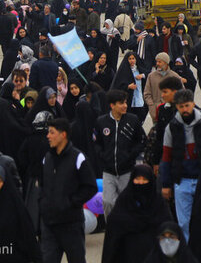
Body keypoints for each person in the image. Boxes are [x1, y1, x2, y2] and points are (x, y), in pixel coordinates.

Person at [160, 89, 201, 241]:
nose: (185, 110)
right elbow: (166, 157)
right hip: (182, 182)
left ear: (193, 104)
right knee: (183, 223)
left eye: (187, 106)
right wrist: (166, 184)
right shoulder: (171, 127)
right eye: (181, 107)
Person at [40, 118, 98, 263]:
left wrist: (70, 203)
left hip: (71, 224)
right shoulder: (47, 158)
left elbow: (90, 187)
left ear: (63, 135)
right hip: (49, 225)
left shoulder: (78, 158)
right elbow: (42, 185)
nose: (48, 136)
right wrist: (44, 204)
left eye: (52, 132)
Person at [102, 164, 172, 263]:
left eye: (144, 180)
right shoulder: (125, 199)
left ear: (151, 181)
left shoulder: (157, 201)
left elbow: (167, 224)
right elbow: (114, 222)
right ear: (132, 180)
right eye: (137, 179)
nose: (141, 182)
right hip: (129, 250)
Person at [94, 89, 147, 217]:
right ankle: (112, 230)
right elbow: (96, 143)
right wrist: (103, 155)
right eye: (121, 103)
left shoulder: (133, 120)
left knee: (128, 203)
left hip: (127, 171)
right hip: (108, 171)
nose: (125, 106)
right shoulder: (101, 122)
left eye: (125, 102)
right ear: (112, 105)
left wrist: (130, 155)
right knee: (107, 202)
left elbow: (142, 141)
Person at [112, 51, 150, 123]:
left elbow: (148, 74)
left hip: (140, 101)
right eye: (130, 59)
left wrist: (142, 75)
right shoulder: (123, 71)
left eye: (133, 58)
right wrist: (128, 86)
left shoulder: (139, 69)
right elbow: (117, 85)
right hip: (129, 102)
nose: (132, 60)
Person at [144, 53, 183, 124]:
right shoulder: (151, 76)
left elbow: (182, 93)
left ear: (166, 63)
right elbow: (147, 94)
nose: (157, 64)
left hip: (172, 114)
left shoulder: (175, 76)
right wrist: (152, 107)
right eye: (157, 61)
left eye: (159, 62)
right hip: (156, 113)